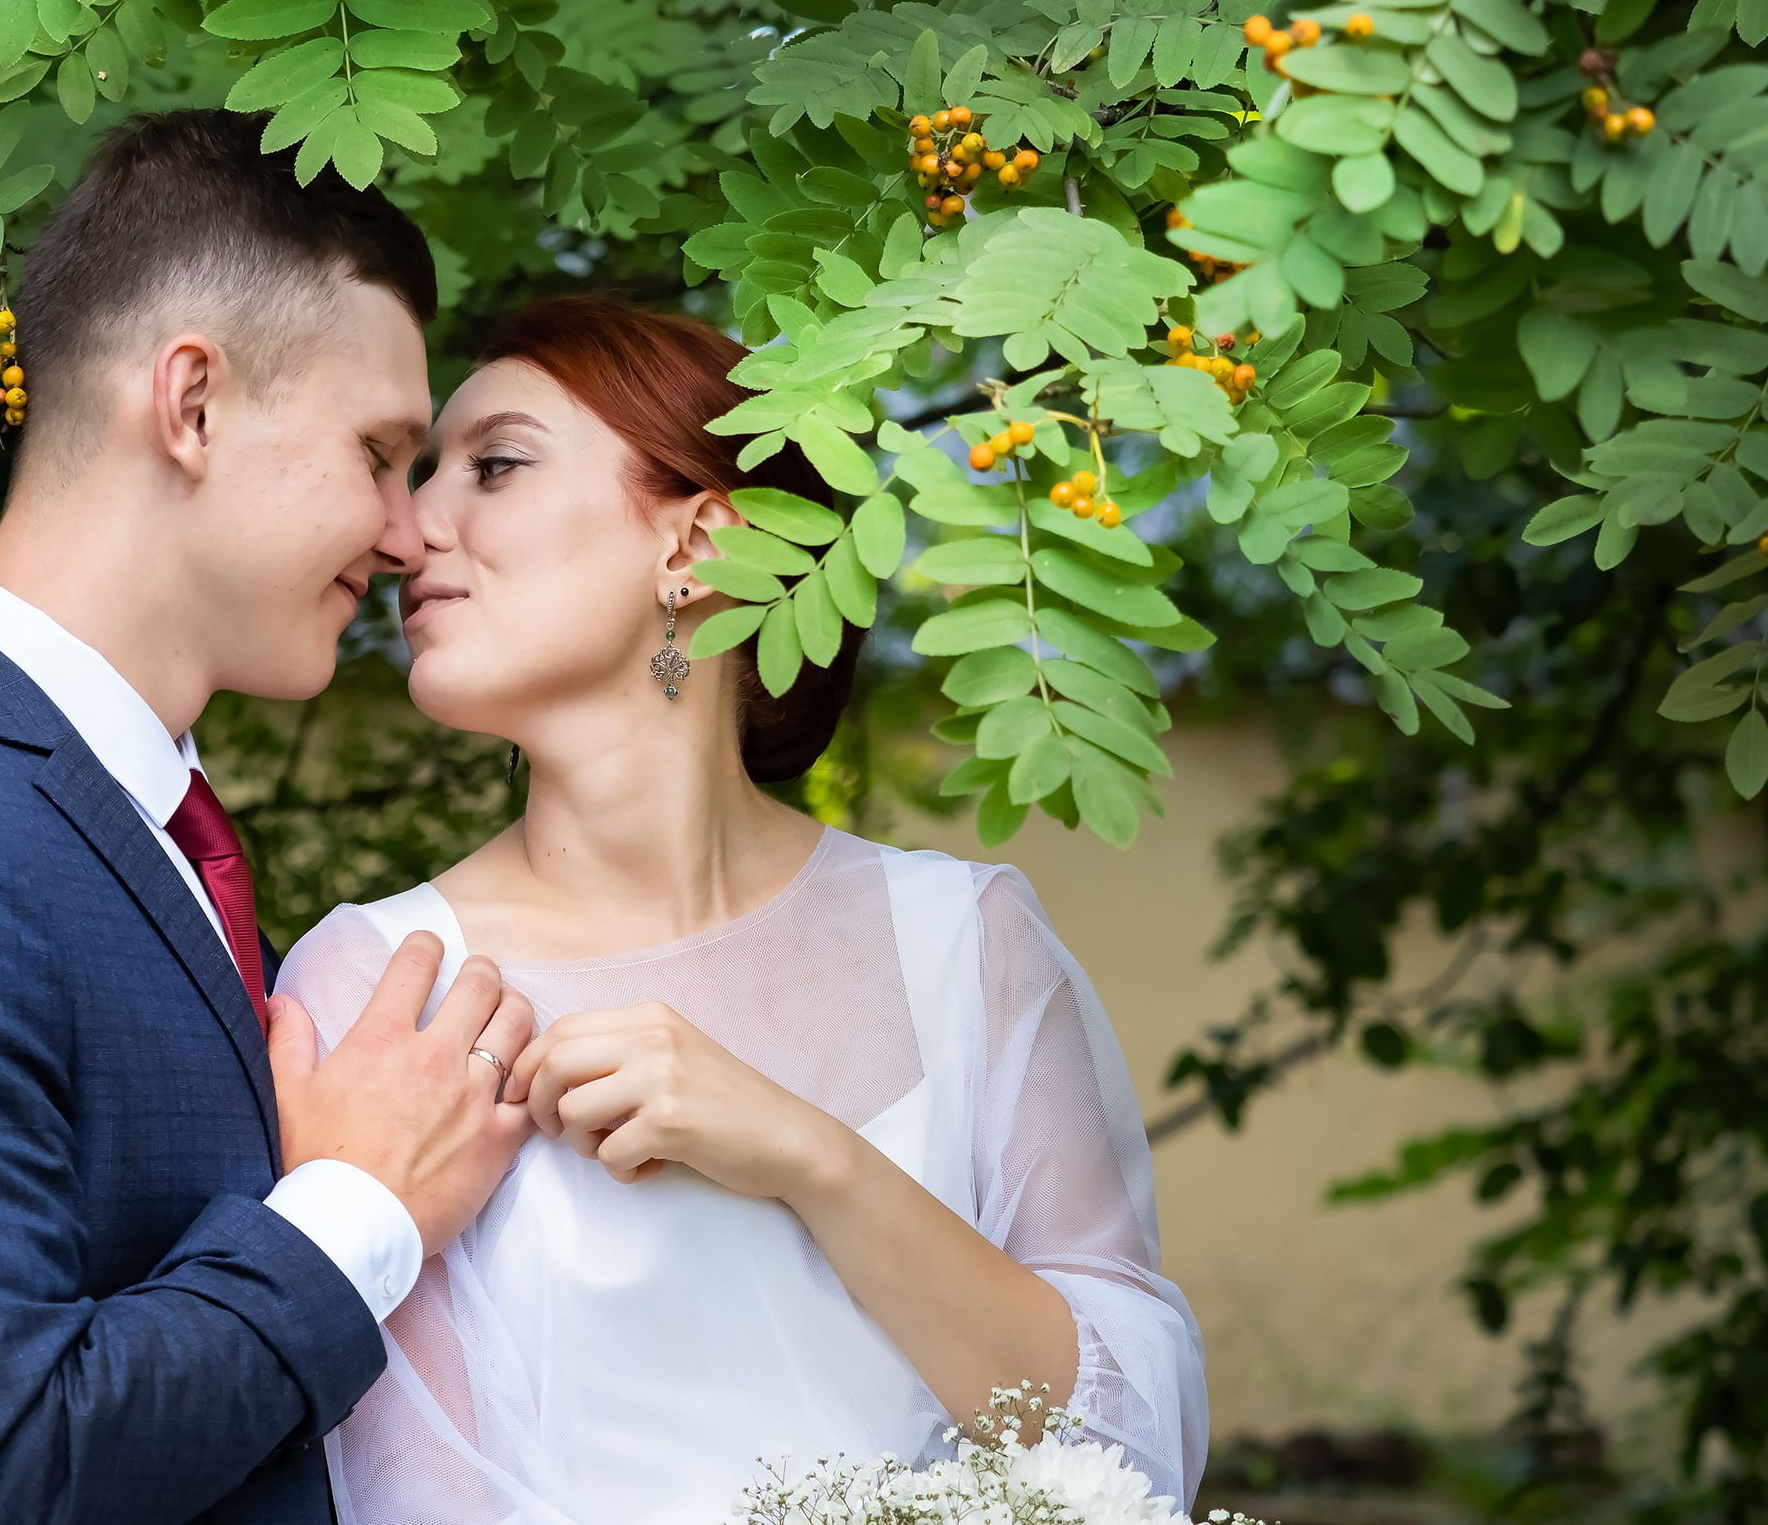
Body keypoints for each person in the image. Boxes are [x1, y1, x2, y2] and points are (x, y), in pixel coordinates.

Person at [0, 110, 539, 1523]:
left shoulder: (135, 817)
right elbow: (5, 1473)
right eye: (380, 453)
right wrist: (362, 1211)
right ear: (192, 404)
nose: (407, 532)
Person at [276, 296, 1209, 1525]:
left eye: (491, 467)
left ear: (697, 545)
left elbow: (1120, 1452)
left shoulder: (965, 943)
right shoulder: (377, 984)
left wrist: (807, 1156)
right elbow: (405, 1493)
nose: (405, 531)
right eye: (414, 475)